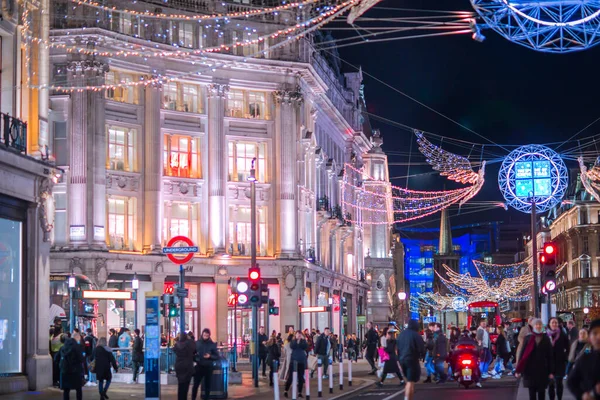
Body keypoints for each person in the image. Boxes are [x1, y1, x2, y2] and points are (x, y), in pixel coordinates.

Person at [515, 318, 554, 400]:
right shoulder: (528, 338)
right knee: (532, 394)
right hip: (530, 370)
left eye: (540, 324)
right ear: (533, 326)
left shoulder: (546, 339)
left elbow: (550, 356)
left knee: (542, 393)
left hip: (542, 370)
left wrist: (551, 371)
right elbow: (522, 354)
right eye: (536, 324)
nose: (538, 326)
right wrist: (518, 369)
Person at [567, 319, 600, 400]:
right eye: (595, 333)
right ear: (590, 337)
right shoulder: (585, 359)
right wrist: (582, 395)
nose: (599, 337)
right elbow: (571, 382)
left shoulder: (587, 349)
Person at [397, 320, 425, 400]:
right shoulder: (416, 335)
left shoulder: (401, 334)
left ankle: (409, 397)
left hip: (402, 359)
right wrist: (421, 356)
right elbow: (421, 348)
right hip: (412, 359)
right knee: (410, 381)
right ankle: (407, 398)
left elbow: (398, 348)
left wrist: (398, 359)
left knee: (409, 381)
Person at [192, 328, 219, 400]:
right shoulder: (197, 343)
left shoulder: (212, 344)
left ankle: (206, 398)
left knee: (208, 385)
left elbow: (217, 356)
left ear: (209, 335)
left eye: (207, 335)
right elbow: (192, 354)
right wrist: (195, 358)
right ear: (202, 334)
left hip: (208, 367)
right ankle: (193, 398)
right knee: (196, 384)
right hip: (199, 366)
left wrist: (210, 356)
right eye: (204, 335)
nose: (205, 336)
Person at [547, 317, 569, 400]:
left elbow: (568, 347)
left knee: (559, 383)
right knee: (551, 384)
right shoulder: (546, 335)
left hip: (560, 362)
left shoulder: (563, 334)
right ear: (549, 324)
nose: (554, 324)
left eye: (556, 323)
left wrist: (565, 356)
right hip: (549, 363)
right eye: (552, 322)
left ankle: (559, 398)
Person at [284, 331, 307, 398]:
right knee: (290, 377)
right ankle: (286, 390)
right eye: (297, 334)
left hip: (301, 361)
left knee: (301, 378)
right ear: (295, 335)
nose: (299, 336)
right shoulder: (293, 341)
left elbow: (305, 347)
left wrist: (302, 340)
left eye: (300, 335)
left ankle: (300, 392)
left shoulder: (303, 341)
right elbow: (293, 346)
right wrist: (297, 341)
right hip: (294, 362)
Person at [174, 332, 196, 400]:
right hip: (187, 366)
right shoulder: (189, 344)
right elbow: (195, 349)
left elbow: (174, 350)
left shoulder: (176, 344)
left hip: (179, 366)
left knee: (180, 385)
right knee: (186, 386)